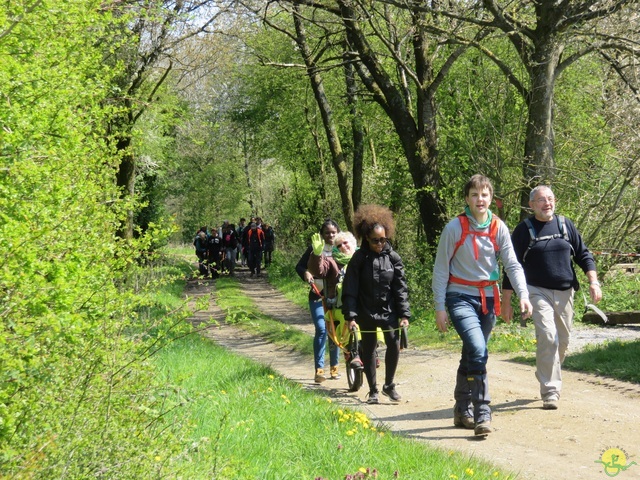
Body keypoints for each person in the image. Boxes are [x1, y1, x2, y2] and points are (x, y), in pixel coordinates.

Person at [432, 174, 532, 436]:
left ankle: (461, 408)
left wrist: (523, 294)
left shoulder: (499, 227)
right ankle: (482, 412)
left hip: (488, 299)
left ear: (491, 199)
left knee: (473, 352)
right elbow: (441, 270)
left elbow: (512, 264)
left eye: (484, 194)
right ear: (467, 199)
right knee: (478, 348)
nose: (480, 199)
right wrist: (439, 307)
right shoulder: (454, 227)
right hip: (459, 296)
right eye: (474, 195)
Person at [502, 185, 602, 411]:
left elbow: (584, 255)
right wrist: (506, 302)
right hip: (537, 291)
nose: (547, 203)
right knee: (548, 336)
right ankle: (550, 390)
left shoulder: (566, 225)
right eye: (541, 200)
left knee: (562, 342)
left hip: (566, 292)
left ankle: (545, 368)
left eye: (550, 199)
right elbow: (511, 266)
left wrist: (593, 281)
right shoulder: (523, 230)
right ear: (531, 205)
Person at [342, 205, 410, 405]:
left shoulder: (393, 258)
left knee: (393, 345)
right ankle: (373, 390)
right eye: (375, 240)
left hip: (389, 311)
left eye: (383, 239)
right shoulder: (358, 259)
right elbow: (350, 289)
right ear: (366, 238)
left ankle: (389, 385)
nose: (380, 244)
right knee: (369, 349)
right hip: (365, 312)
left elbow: (400, 289)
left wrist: (404, 315)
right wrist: (350, 316)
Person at [306, 230, 359, 381]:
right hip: (338, 308)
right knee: (332, 327)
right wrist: (316, 254)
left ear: (353, 244)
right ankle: (344, 356)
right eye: (339, 245)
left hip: (361, 305)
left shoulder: (362, 259)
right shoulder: (331, 261)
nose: (343, 247)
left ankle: (371, 351)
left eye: (346, 243)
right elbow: (318, 270)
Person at [296, 219, 342, 383]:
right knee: (322, 330)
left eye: (333, 232)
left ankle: (335, 367)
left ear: (337, 233)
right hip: (316, 295)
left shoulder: (342, 248)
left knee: (334, 331)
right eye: (327, 232)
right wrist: (306, 274)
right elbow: (300, 267)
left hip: (336, 297)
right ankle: (319, 370)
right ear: (322, 235)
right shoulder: (315, 249)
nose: (330, 235)